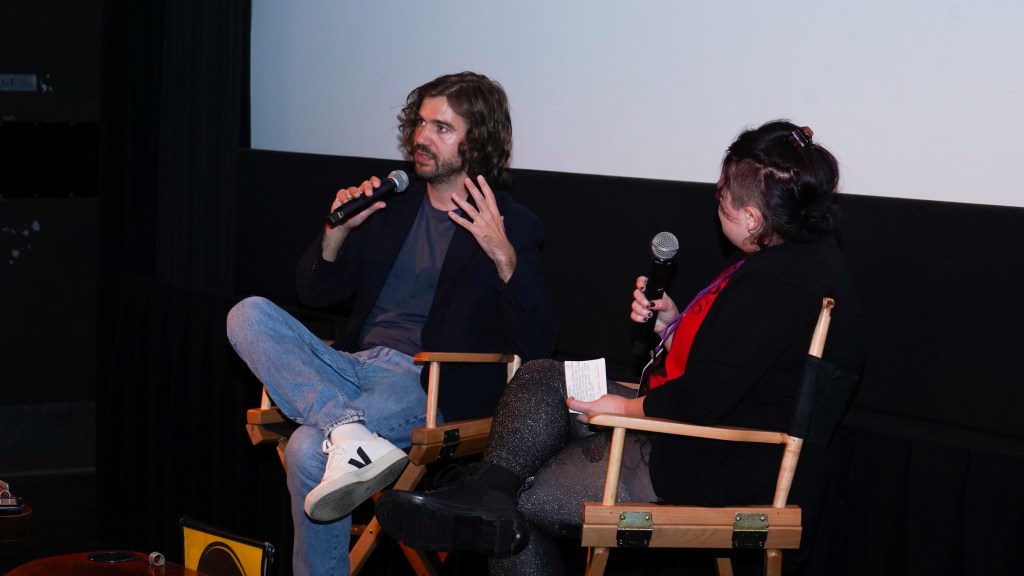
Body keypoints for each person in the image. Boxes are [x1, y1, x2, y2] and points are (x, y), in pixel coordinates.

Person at [376, 120, 866, 575]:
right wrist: (674, 324)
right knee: (545, 375)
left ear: (755, 218)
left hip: (722, 462)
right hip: (712, 430)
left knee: (526, 508)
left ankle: (490, 500)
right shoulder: (803, 254)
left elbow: (702, 401)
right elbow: (747, 364)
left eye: (723, 201)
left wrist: (625, 407)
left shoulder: (778, 283)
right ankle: (487, 492)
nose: (715, 203)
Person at [226, 71, 557, 576]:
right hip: (352, 365)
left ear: (479, 142)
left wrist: (504, 256)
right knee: (245, 313)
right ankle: (347, 429)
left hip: (424, 382)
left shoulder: (511, 224)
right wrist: (336, 231)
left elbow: (536, 345)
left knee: (306, 448)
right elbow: (316, 293)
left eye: (442, 128)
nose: (422, 138)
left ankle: (338, 432)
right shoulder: (389, 205)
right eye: (421, 124)